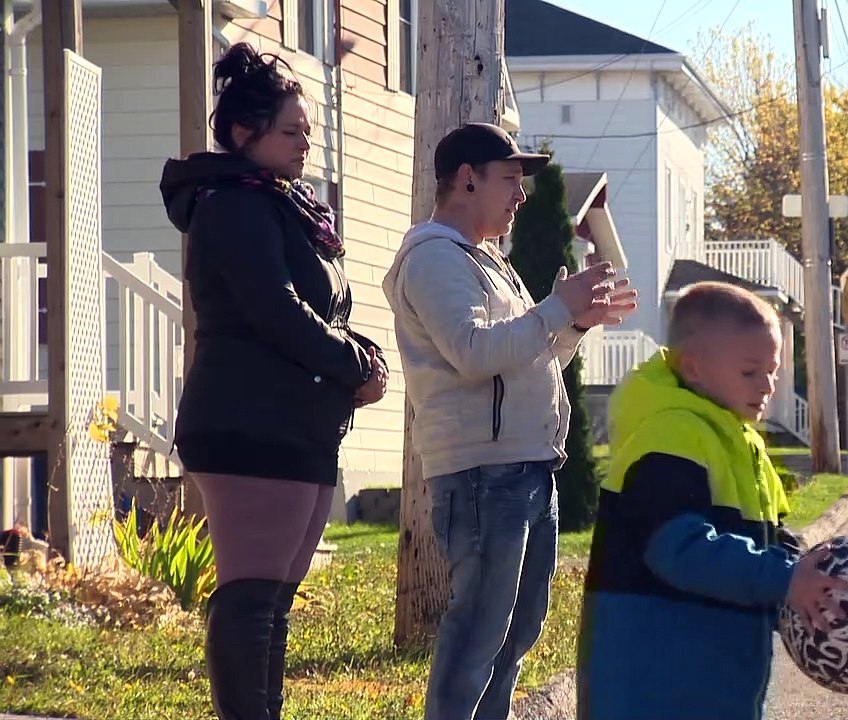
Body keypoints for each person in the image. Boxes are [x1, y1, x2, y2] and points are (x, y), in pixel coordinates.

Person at [159, 43, 388, 719]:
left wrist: (360, 357)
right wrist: (352, 365)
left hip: (295, 425)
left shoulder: (280, 203)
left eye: (307, 134)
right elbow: (275, 310)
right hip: (247, 425)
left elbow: (320, 311)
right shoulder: (232, 203)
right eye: (290, 132)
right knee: (253, 598)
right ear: (242, 134)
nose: (304, 146)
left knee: (274, 603)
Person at [381, 122, 638, 720]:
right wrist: (556, 308)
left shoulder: (489, 261)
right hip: (480, 472)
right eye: (509, 181)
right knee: (479, 631)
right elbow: (473, 353)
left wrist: (574, 323)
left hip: (523, 466)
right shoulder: (433, 257)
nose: (521, 196)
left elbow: (525, 357)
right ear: (466, 180)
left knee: (516, 632)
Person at [576, 281, 848, 720]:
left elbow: (768, 540)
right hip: (654, 689)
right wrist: (784, 577)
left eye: (773, 371)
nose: (767, 385)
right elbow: (680, 549)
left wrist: (808, 572)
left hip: (714, 683)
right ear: (695, 368)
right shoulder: (670, 436)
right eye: (749, 371)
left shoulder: (739, 442)